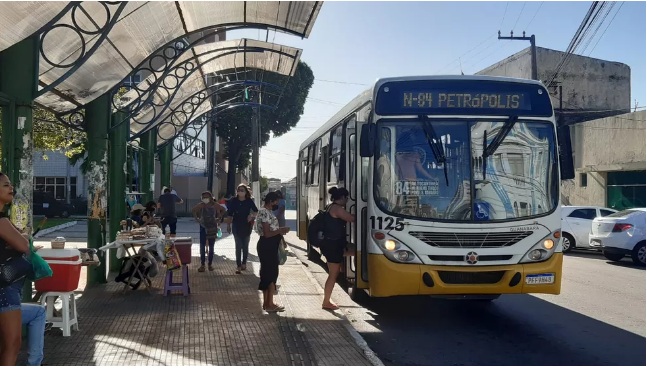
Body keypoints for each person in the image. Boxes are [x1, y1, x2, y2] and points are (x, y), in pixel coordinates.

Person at [0, 172, 31, 365]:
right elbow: (24, 246)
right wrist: (23, 237)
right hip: (6, 287)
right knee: (12, 343)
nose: (11, 188)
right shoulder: (2, 222)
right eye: (5, 185)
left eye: (10, 185)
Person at [255, 192, 289, 312]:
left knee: (270, 273)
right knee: (269, 274)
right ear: (271, 201)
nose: (277, 204)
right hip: (267, 246)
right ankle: (268, 304)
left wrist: (281, 237)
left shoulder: (267, 212)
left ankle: (268, 303)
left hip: (271, 246)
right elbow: (267, 233)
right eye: (276, 202)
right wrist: (281, 230)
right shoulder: (264, 212)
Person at [321, 187, 354, 311]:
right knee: (333, 274)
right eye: (346, 198)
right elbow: (351, 218)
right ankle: (326, 301)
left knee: (357, 251)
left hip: (334, 245)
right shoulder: (336, 208)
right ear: (341, 198)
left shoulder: (330, 206)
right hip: (333, 246)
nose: (347, 200)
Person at [225, 184, 258, 274]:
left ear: (246, 192)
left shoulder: (249, 201)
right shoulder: (234, 201)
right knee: (238, 246)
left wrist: (251, 216)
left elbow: (256, 211)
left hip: (247, 226)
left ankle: (244, 263)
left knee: (245, 246)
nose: (240, 192)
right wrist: (228, 225)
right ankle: (238, 265)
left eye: (242, 190)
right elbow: (230, 214)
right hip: (236, 225)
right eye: (239, 190)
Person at [192, 191, 226, 272]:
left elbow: (223, 209)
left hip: (212, 227)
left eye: (207, 197)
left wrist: (219, 218)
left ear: (210, 197)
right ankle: (202, 264)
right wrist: (197, 219)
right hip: (203, 227)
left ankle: (210, 264)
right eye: (203, 197)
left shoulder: (214, 204)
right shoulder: (201, 205)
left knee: (211, 246)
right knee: (202, 246)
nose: (205, 199)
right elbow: (193, 210)